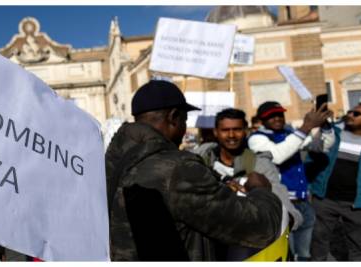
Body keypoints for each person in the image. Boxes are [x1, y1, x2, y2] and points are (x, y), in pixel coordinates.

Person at [106, 80, 282, 261]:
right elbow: (257, 227)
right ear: (174, 117)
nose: (184, 130)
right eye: (184, 120)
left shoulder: (110, 164)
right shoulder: (179, 169)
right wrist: (261, 191)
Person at [193, 108, 303, 260]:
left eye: (237, 129)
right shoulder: (200, 160)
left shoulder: (260, 165)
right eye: (226, 130)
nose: (231, 135)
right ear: (216, 132)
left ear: (245, 131)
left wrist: (255, 196)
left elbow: (289, 213)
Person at [248, 101, 334, 261]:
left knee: (305, 254)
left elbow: (322, 146)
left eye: (279, 114)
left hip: (303, 202)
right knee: (286, 253)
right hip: (282, 205)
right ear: (261, 120)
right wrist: (306, 127)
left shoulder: (290, 133)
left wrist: (325, 126)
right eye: (271, 116)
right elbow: (277, 156)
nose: (277, 119)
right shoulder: (256, 138)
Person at [308, 102, 361, 261]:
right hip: (325, 199)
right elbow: (314, 155)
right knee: (318, 241)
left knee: (359, 246)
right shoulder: (334, 134)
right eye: (350, 112)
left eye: (357, 114)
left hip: (357, 204)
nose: (350, 115)